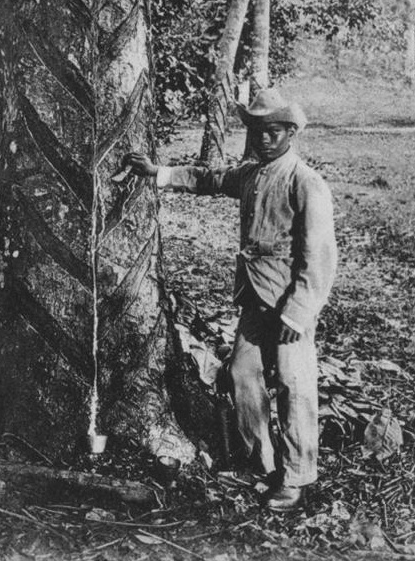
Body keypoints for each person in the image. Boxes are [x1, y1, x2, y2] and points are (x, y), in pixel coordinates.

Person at [126, 88, 337, 511]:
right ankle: (262, 462)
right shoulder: (251, 175)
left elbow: (320, 258)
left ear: (291, 132)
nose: (263, 139)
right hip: (255, 299)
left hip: (289, 305)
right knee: (242, 374)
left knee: (295, 386)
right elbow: (209, 179)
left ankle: (296, 477)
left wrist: (297, 313)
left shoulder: (305, 182)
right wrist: (159, 173)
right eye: (257, 131)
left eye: (273, 131)